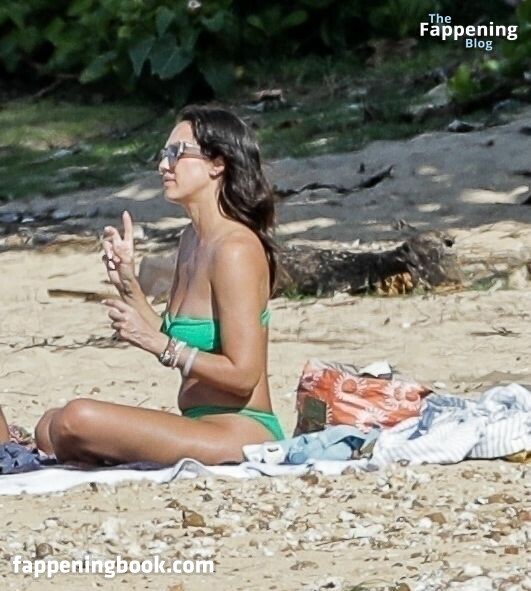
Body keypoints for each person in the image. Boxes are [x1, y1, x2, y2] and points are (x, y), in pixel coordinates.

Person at [28, 104, 285, 466]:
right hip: (198, 423)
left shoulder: (236, 249)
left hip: (241, 430)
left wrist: (160, 346)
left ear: (218, 164)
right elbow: (175, 337)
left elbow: (243, 376)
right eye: (164, 154)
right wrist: (128, 283)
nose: (164, 165)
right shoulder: (191, 239)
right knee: (49, 426)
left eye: (177, 153)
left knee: (75, 419)